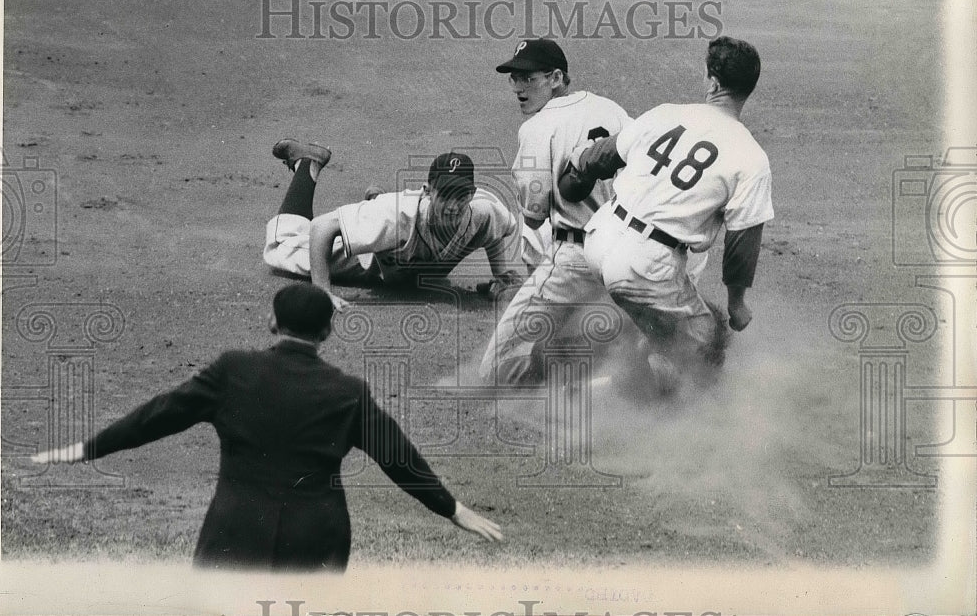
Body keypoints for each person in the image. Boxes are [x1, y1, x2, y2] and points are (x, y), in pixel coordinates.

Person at [31, 283, 503, 571]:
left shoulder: (232, 371)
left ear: (272, 322)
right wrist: (451, 508)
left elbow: (157, 416)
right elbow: (399, 457)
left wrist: (87, 448)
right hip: (317, 537)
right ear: (326, 333)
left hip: (237, 530)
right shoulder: (347, 391)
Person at [560, 36, 773, 388]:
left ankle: (593, 390)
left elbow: (603, 156)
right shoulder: (751, 157)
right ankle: (691, 421)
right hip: (646, 264)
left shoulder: (666, 113)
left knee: (661, 332)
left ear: (712, 81)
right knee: (709, 337)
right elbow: (742, 244)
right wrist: (737, 303)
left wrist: (577, 172)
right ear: (748, 88)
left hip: (599, 239)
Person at [476, 38, 633, 385]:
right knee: (616, 335)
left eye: (528, 78)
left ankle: (572, 391)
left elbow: (533, 215)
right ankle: (613, 379)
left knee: (492, 373)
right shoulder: (615, 110)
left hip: (575, 258)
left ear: (556, 78)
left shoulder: (536, 128)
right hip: (627, 253)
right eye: (513, 78)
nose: (518, 88)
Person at [263, 143, 524, 311]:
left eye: (462, 195)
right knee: (281, 245)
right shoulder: (399, 214)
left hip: (396, 246)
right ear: (428, 191)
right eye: (446, 195)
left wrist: (499, 276)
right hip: (365, 260)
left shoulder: (484, 209)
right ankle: (308, 162)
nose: (454, 205)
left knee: (389, 226)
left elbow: (493, 230)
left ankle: (374, 201)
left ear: (473, 193)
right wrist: (322, 291)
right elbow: (322, 227)